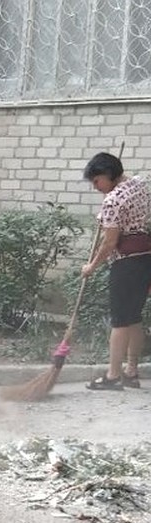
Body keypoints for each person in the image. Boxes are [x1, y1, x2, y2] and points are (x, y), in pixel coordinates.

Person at [80, 151, 151, 391]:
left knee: (120, 320)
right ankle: (131, 372)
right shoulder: (139, 185)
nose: (95, 187)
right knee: (134, 317)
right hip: (144, 258)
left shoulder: (112, 201)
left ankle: (112, 375)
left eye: (97, 180)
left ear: (108, 175)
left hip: (126, 262)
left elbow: (109, 243)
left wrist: (91, 267)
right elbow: (130, 181)